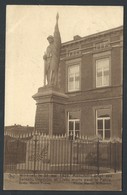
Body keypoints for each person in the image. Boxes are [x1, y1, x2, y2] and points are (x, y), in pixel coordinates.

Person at [43, 13, 61, 86]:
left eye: (50, 38)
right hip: (48, 61)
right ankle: (49, 83)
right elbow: (46, 55)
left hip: (53, 59)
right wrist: (44, 57)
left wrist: (56, 21)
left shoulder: (56, 45)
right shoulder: (47, 47)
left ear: (53, 39)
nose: (49, 40)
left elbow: (56, 34)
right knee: (47, 72)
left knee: (53, 71)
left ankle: (52, 83)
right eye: (48, 39)